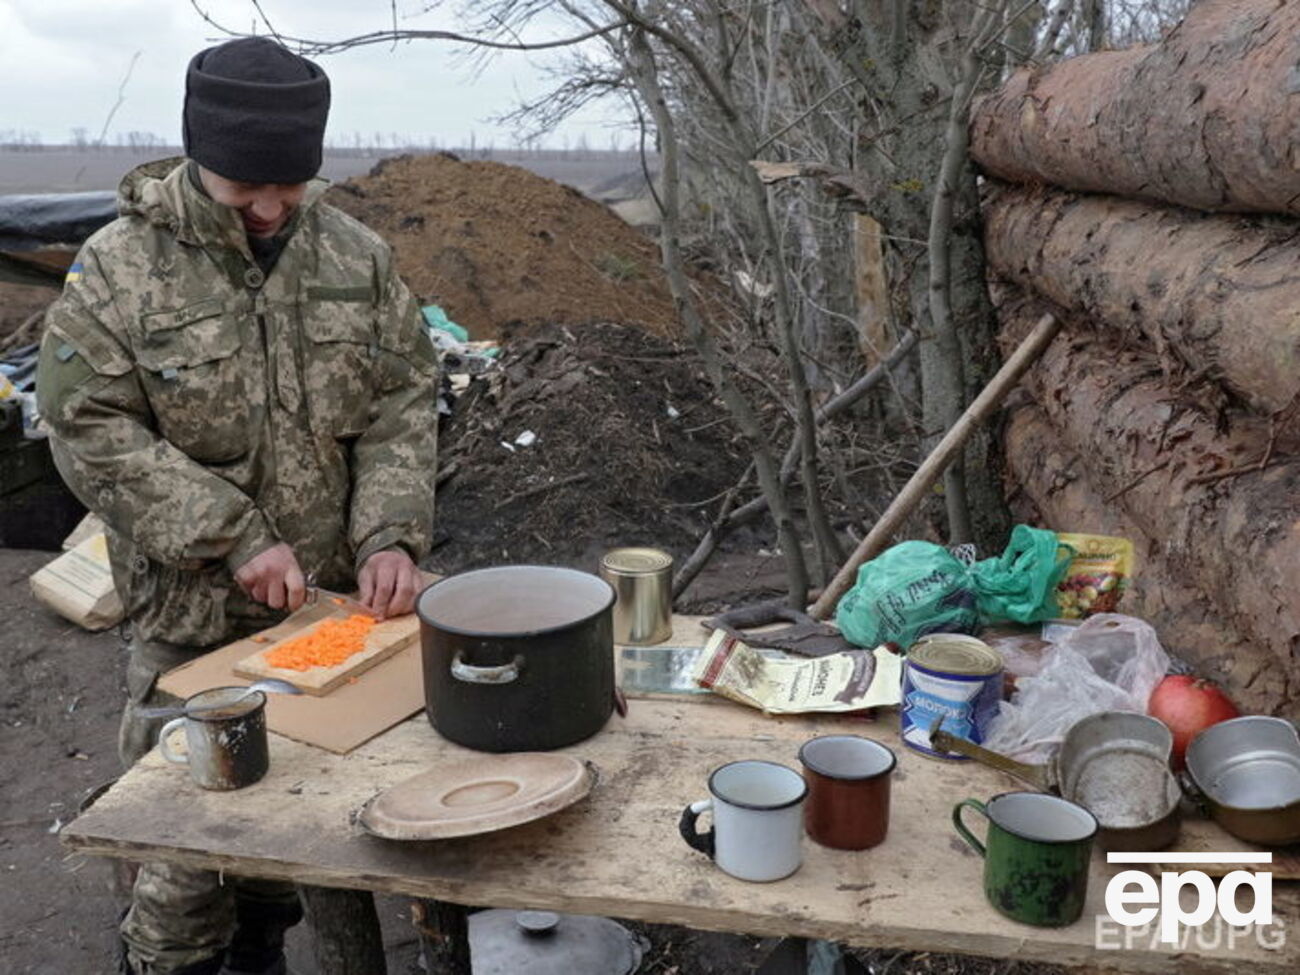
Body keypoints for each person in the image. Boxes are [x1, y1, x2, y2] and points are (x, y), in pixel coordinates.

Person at [36, 37, 439, 975]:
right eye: (242, 188)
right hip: (191, 624)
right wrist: (232, 536)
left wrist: (389, 533)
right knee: (182, 848)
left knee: (285, 832)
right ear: (196, 155)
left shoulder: (357, 257)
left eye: (289, 187)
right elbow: (84, 425)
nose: (268, 210)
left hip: (328, 623)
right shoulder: (119, 269)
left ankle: (260, 949)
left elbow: (400, 399)